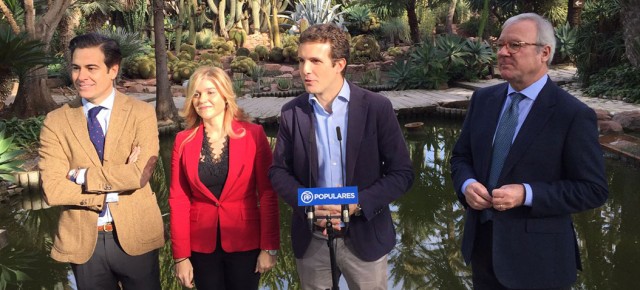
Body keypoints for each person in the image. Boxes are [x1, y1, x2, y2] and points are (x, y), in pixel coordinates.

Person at [450, 13, 609, 290]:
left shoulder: (572, 114)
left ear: (544, 53)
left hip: (540, 262)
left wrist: (527, 194)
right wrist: (467, 184)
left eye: (514, 45)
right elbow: (461, 157)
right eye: (500, 44)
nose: (502, 52)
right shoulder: (483, 100)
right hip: (484, 251)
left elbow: (592, 189)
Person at [269, 23, 414, 290]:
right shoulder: (292, 113)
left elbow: (402, 174)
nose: (305, 70)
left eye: (315, 61)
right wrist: (308, 204)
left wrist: (357, 204)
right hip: (312, 237)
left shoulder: (377, 108)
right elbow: (278, 172)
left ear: (339, 64)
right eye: (301, 61)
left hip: (365, 235)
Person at [38, 33, 164, 289]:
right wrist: (111, 190)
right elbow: (52, 188)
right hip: (85, 243)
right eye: (76, 68)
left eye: (91, 68)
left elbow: (139, 175)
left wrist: (81, 176)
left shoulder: (141, 113)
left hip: (136, 234)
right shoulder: (56, 121)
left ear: (113, 70)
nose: (81, 76)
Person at [169, 66, 280, 289]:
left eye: (210, 92)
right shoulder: (183, 141)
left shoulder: (254, 135)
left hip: (245, 241)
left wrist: (269, 247)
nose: (202, 100)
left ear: (225, 95)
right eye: (197, 94)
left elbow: (268, 194)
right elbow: (178, 201)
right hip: (200, 246)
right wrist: (180, 257)